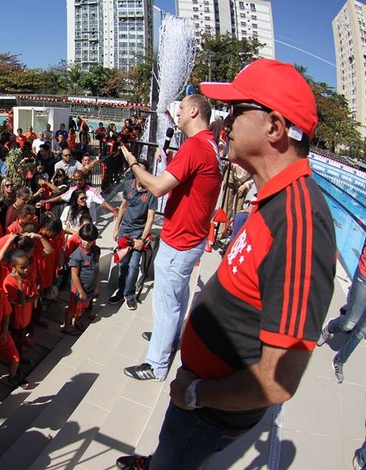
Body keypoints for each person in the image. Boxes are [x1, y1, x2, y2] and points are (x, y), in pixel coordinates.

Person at [116, 59, 336, 469]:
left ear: (273, 126)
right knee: (171, 451)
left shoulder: (298, 221)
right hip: (198, 395)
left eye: (236, 111)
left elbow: (278, 379)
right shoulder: (273, 201)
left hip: (208, 408)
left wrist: (197, 393)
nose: (225, 122)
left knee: (178, 458)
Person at [120, 93, 223, 382]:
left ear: (193, 111)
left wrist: (132, 164)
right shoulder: (210, 144)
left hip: (180, 240)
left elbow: (156, 188)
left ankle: (157, 364)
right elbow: (215, 129)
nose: (176, 114)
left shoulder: (194, 147)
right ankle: (171, 337)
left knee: (166, 303)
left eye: (180, 109)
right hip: (193, 239)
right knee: (178, 295)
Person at [316, 239, 366, 384]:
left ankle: (339, 360)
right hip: (364, 277)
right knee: (349, 323)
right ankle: (329, 329)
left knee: (362, 330)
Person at [109, 164, 157, 310]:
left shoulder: (151, 192)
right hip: (125, 231)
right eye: (137, 170)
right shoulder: (128, 185)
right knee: (122, 264)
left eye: (142, 170)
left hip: (139, 234)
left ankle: (129, 295)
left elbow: (150, 218)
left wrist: (142, 240)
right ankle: (121, 291)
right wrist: (116, 228)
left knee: (134, 265)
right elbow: (123, 207)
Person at [66, 223, 100, 335]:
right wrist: (81, 291)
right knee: (72, 308)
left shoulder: (96, 251)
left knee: (82, 307)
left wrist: (97, 286)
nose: (86, 243)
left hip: (90, 287)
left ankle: (76, 322)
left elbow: (96, 269)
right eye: (84, 240)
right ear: (80, 238)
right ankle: (67, 326)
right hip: (78, 289)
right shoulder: (76, 256)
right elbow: (74, 275)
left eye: (90, 241)